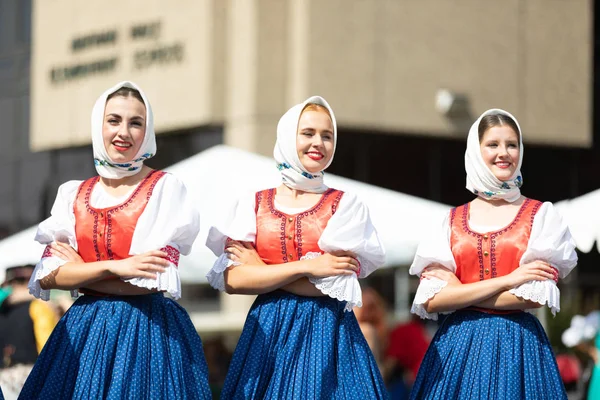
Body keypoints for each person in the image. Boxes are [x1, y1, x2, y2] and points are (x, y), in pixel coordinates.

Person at [19, 81, 211, 399]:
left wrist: (82, 271)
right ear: (99, 125)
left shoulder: (163, 188)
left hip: (147, 333)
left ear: (147, 131)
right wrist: (119, 267)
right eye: (114, 120)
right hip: (83, 334)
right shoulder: (73, 194)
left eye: (136, 122)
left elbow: (149, 280)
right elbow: (50, 275)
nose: (124, 132)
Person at [205, 96, 388, 399]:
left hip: (327, 332)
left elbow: (332, 286)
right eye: (308, 133)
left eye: (327, 135)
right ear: (289, 137)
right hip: (267, 335)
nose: (318, 142)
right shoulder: (254, 203)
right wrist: (307, 267)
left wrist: (263, 271)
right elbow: (233, 280)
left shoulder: (346, 205)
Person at [408, 109, 577, 399]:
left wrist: (460, 292)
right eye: (493, 145)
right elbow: (433, 299)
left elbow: (533, 296)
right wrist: (509, 280)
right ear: (476, 150)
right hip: (458, 349)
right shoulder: (450, 221)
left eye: (511, 144)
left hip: (518, 347)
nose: (504, 153)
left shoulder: (541, 216)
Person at [0, 265, 57, 399]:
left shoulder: (2, 308)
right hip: (29, 375)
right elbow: (46, 345)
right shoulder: (38, 306)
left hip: (2, 378)